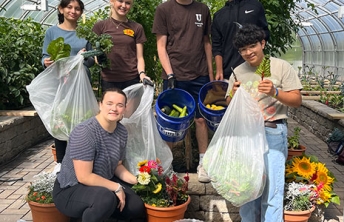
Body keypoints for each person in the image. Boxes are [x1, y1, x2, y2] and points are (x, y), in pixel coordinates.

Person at [226, 24, 302, 222]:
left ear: (263, 43)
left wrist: (275, 92)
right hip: (247, 136)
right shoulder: (237, 72)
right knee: (248, 190)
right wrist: (233, 94)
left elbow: (297, 100)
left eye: (252, 46)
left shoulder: (280, 67)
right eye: (243, 49)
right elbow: (228, 104)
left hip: (272, 131)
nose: (248, 52)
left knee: (272, 192)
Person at [53, 88, 146, 222]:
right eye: (109, 103)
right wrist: (117, 187)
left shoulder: (121, 132)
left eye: (120, 105)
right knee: (105, 199)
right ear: (100, 105)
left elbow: (117, 166)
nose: (114, 108)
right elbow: (84, 177)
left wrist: (138, 180)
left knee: (136, 207)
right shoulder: (85, 132)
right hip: (71, 189)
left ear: (124, 109)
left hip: (101, 184)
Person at [152, 0, 214, 183]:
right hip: (175, 75)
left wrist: (210, 73)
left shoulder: (202, 9)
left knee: (201, 119)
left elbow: (206, 42)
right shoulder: (164, 9)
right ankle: (168, 165)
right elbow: (161, 46)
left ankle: (203, 163)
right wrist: (170, 74)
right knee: (170, 123)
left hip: (200, 74)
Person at [41, 0, 95, 165]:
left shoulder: (85, 33)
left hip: (81, 85)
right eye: (69, 7)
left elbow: (92, 60)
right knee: (60, 122)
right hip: (61, 85)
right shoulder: (52, 32)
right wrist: (46, 61)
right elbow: (44, 56)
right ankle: (61, 165)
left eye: (77, 8)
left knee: (82, 121)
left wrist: (84, 58)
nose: (73, 11)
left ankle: (82, 162)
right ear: (61, 9)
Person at [92, 0, 152, 92]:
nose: (123, 5)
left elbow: (139, 57)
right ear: (112, 2)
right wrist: (99, 60)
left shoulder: (136, 28)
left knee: (131, 107)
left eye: (127, 3)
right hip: (109, 80)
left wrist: (142, 74)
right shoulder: (100, 26)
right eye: (120, 1)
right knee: (113, 106)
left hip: (131, 79)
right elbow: (96, 54)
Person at [212, 0, 270, 81]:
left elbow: (265, 33)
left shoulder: (255, 6)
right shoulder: (218, 15)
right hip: (230, 72)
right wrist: (219, 71)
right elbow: (216, 46)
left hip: (256, 70)